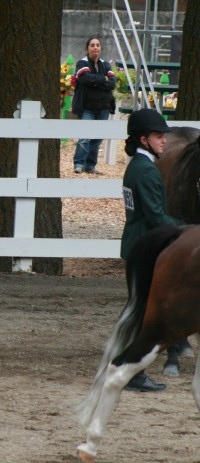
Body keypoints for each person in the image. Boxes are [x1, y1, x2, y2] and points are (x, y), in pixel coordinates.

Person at [120, 108, 185, 392]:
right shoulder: (145, 171)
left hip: (137, 243)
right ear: (144, 140)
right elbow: (156, 218)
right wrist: (188, 228)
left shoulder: (139, 166)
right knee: (144, 313)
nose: (164, 141)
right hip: (145, 246)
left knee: (140, 310)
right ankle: (132, 374)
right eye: (159, 136)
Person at [71, 37, 117, 174]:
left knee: (97, 138)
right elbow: (85, 79)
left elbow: (112, 83)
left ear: (101, 49)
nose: (95, 47)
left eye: (97, 45)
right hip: (87, 108)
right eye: (92, 45)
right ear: (87, 49)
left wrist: (96, 81)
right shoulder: (82, 63)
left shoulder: (105, 65)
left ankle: (90, 166)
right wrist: (103, 79)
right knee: (84, 137)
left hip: (103, 107)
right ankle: (79, 164)